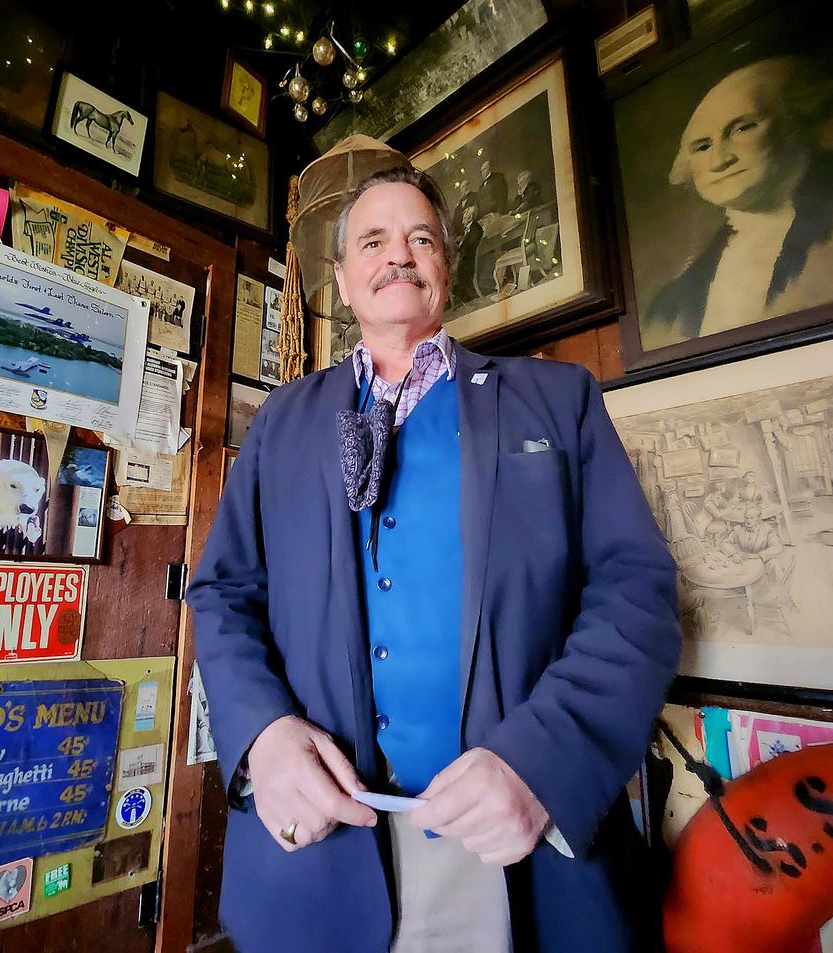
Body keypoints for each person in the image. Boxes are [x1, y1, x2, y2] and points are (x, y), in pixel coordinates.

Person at [187, 163, 681, 952]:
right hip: (318, 846)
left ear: (446, 269)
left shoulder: (558, 400)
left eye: (420, 238)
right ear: (344, 281)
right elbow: (221, 592)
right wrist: (264, 737)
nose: (399, 255)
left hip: (520, 844)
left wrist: (542, 764)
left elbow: (637, 592)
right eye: (373, 241)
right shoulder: (282, 421)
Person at [645, 56, 833, 350]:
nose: (719, 160)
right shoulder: (672, 305)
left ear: (797, 123)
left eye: (742, 128)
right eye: (702, 146)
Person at [451, 203, 483, 305]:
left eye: (464, 218)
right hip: (466, 259)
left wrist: (460, 247)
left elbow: (471, 246)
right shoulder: (470, 228)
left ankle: (465, 297)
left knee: (454, 276)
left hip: (469, 262)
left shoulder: (475, 228)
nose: (462, 220)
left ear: (471, 217)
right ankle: (462, 296)